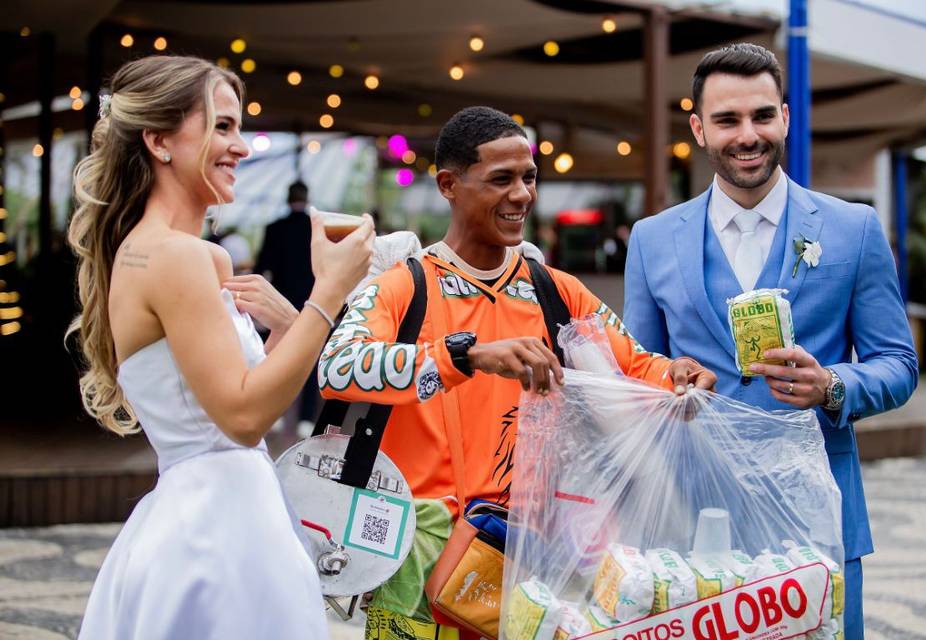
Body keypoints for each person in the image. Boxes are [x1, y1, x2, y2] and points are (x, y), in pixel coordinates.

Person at [317, 106, 716, 640]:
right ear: (448, 185)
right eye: (500, 179)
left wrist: (680, 376)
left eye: (528, 178)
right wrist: (465, 355)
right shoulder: (402, 284)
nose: (523, 194)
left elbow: (636, 365)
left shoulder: (556, 289)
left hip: (527, 560)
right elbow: (338, 369)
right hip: (412, 565)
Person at [67, 55, 374, 639]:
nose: (241, 147)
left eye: (239, 127)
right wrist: (328, 291)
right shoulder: (174, 257)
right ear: (159, 141)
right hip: (215, 537)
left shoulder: (197, 256)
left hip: (222, 512)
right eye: (222, 126)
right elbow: (242, 417)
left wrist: (287, 330)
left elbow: (238, 391)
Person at [622, 43, 918, 639]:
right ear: (699, 129)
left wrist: (832, 383)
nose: (747, 135)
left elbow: (899, 364)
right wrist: (666, 379)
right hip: (691, 523)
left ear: (785, 117)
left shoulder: (852, 229)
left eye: (761, 116)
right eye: (728, 120)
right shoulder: (652, 240)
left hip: (818, 514)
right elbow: (637, 369)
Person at [256, 180, 320, 436]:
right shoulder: (315, 229)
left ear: (287, 198)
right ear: (306, 198)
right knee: (310, 358)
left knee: (274, 356)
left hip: (279, 302)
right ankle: (306, 419)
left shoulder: (275, 229)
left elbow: (262, 268)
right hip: (311, 303)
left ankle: (276, 414)